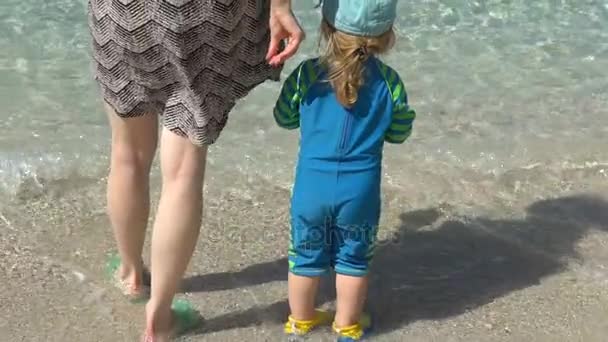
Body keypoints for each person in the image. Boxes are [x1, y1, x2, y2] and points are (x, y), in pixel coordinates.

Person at [87, 0, 303, 340]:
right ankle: (158, 320)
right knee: (182, 173)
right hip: (203, 17)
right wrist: (280, 6)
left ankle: (131, 274)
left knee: (128, 152)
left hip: (120, 10)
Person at [273, 0, 415, 340]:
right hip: (360, 192)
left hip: (311, 189)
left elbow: (283, 117)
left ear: (327, 27)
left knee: (304, 258)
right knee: (353, 260)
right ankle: (347, 325)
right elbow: (399, 133)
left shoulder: (307, 74)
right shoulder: (390, 82)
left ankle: (301, 320)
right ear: (386, 35)